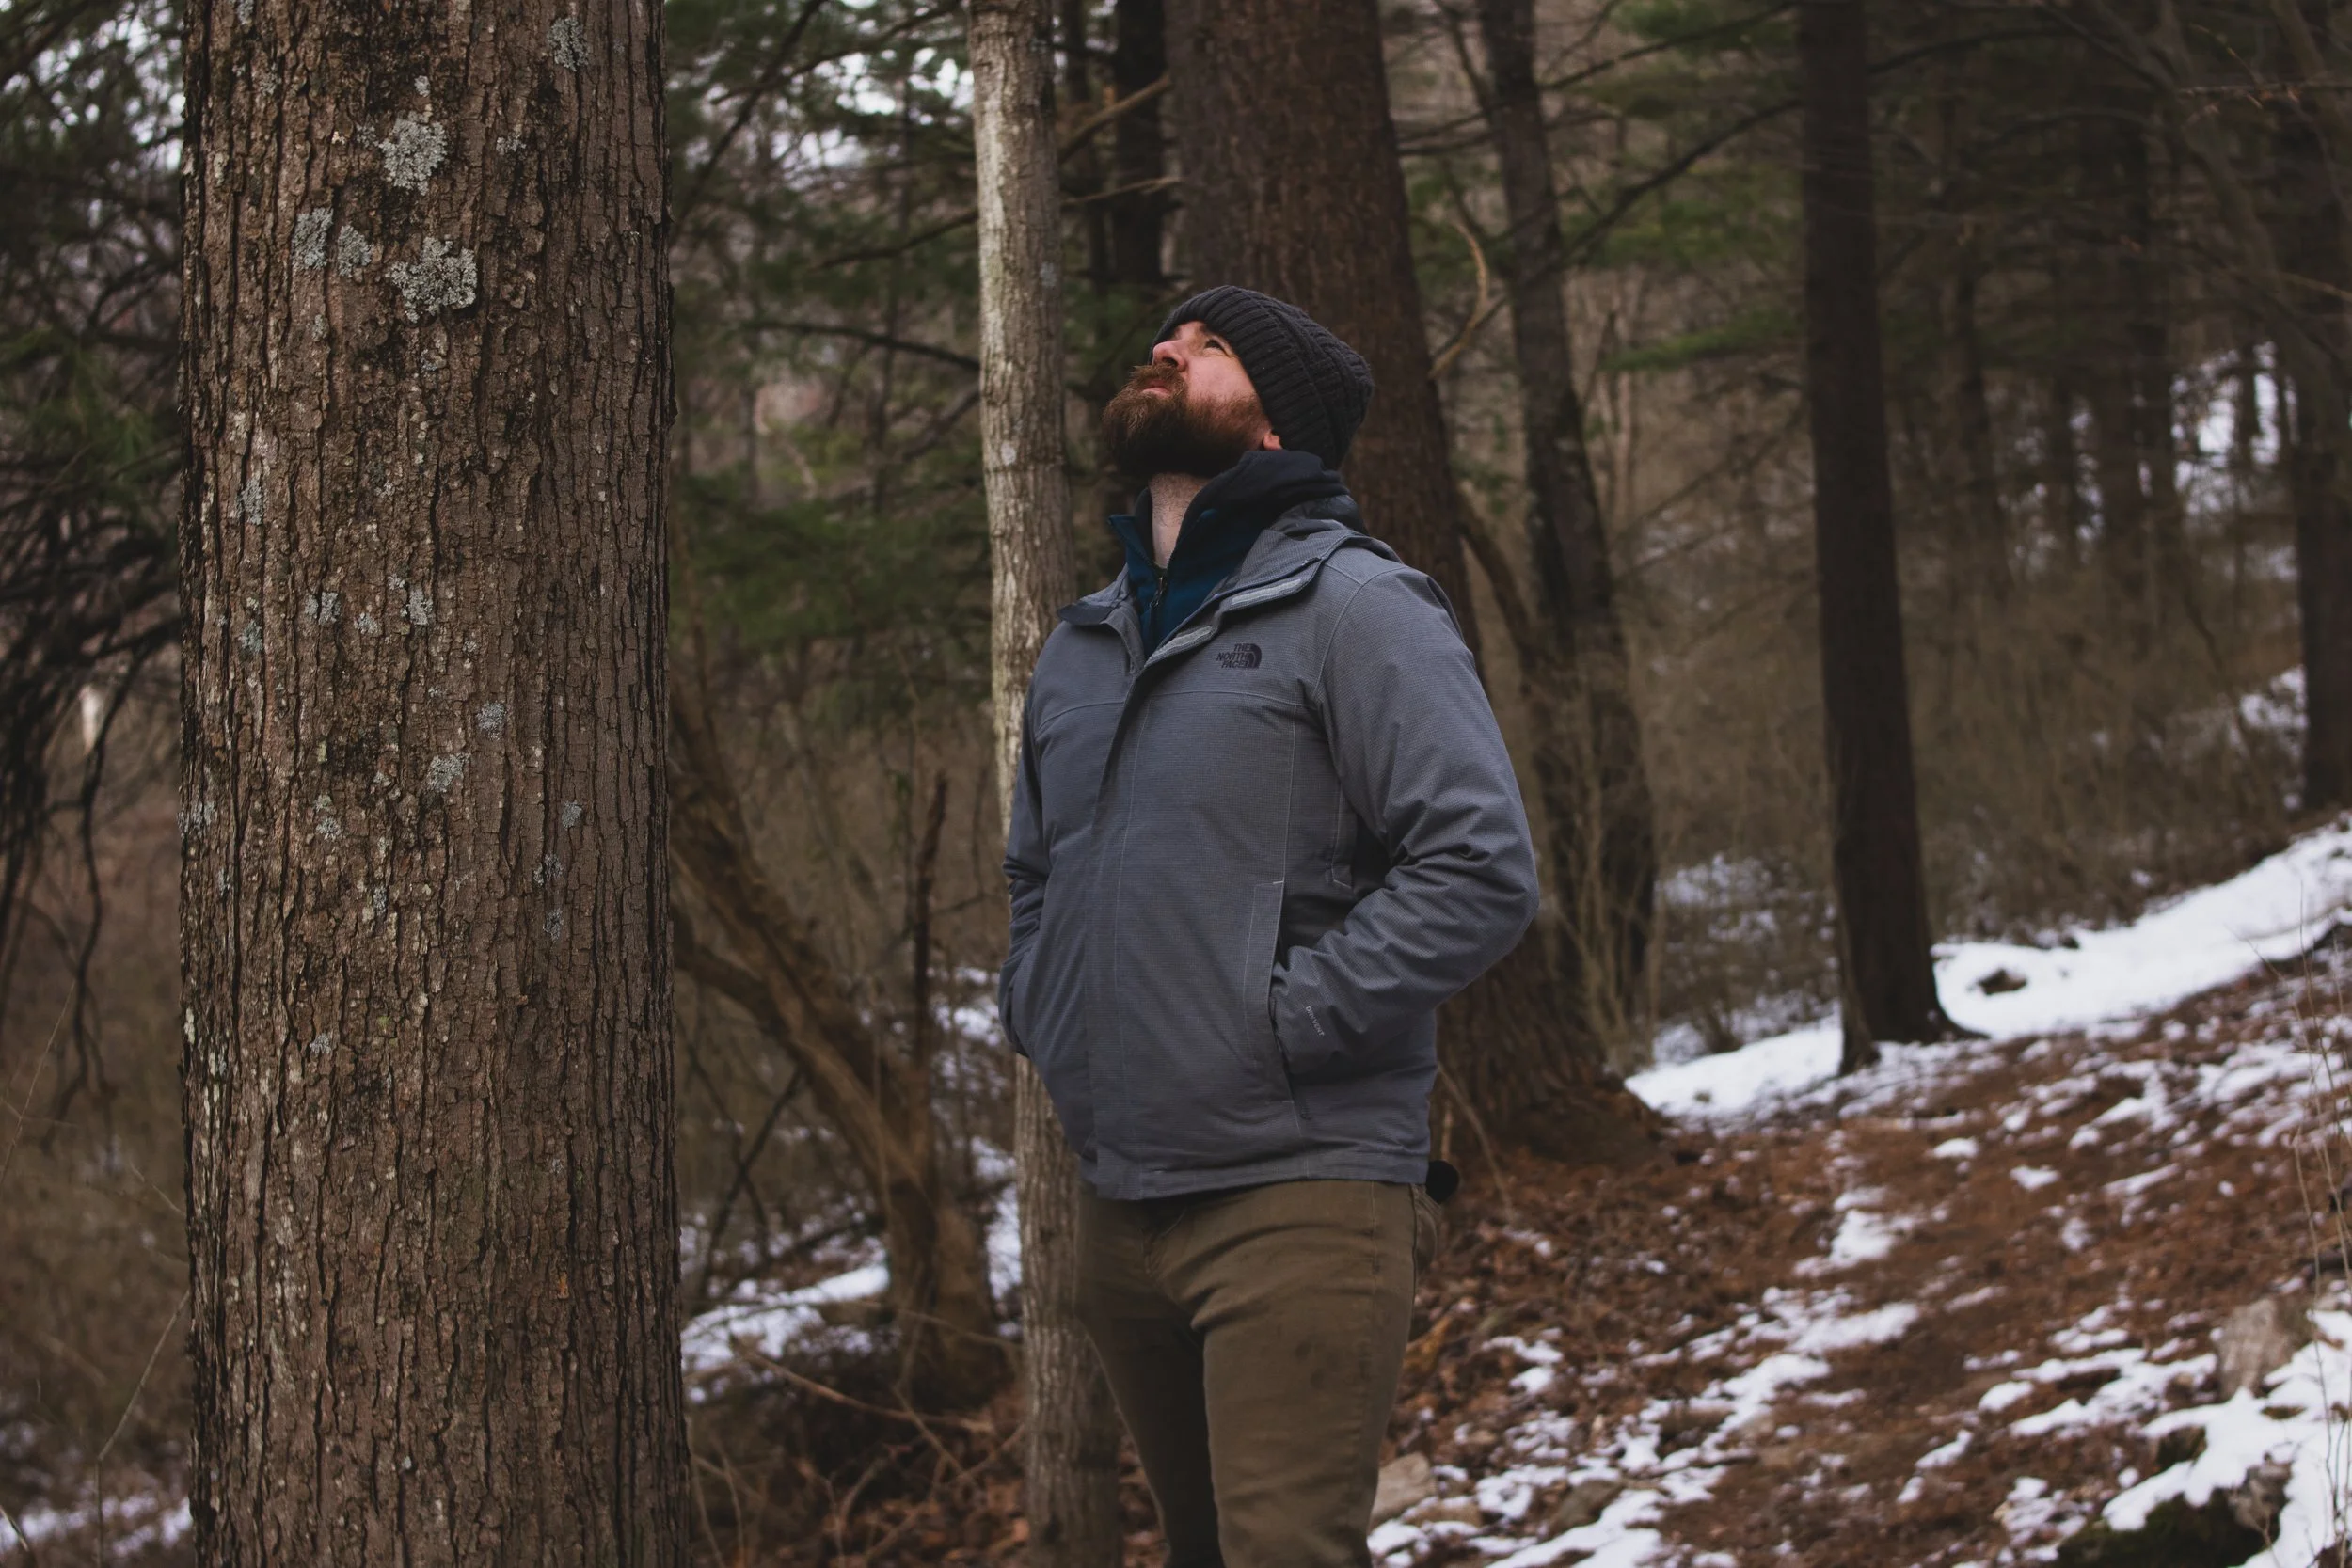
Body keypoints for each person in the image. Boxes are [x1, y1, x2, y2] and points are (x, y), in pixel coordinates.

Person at [999, 286, 1539, 1568]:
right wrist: (1045, 1011)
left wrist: (1280, 1022)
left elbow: (1479, 864)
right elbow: (1035, 873)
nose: (1167, 348)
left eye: (1211, 345)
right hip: (1119, 1204)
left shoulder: (1357, 606)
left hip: (1299, 1194)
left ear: (1277, 424)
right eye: (1169, 334)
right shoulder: (1083, 643)